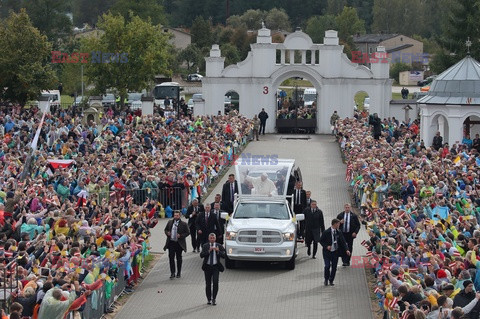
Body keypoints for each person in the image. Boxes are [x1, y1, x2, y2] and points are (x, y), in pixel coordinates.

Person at [319, 219, 350, 286]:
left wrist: (347, 249)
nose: (339, 225)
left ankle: (331, 280)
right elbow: (321, 241)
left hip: (335, 252)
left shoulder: (339, 232)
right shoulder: (326, 232)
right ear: (334, 224)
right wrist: (326, 246)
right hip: (327, 252)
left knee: (334, 267)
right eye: (338, 224)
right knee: (327, 266)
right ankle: (326, 279)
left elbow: (343, 241)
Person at [200, 233, 225, 306]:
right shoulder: (205, 246)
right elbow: (201, 255)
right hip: (207, 267)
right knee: (208, 284)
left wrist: (218, 251)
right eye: (211, 238)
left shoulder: (219, 246)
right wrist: (208, 251)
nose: (212, 239)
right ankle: (209, 299)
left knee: (215, 282)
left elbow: (224, 255)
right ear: (208, 239)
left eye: (213, 238)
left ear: (215, 239)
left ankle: (214, 298)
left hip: (215, 267)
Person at [163, 211, 190, 278]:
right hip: (171, 242)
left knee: (179, 258)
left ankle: (179, 272)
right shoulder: (170, 222)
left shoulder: (184, 224)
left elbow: (187, 232)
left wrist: (180, 236)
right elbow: (165, 230)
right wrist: (167, 233)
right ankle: (172, 273)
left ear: (180, 216)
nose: (176, 217)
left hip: (179, 243)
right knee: (171, 258)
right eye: (175, 215)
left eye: (177, 215)